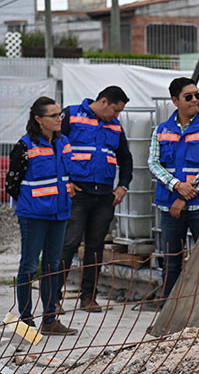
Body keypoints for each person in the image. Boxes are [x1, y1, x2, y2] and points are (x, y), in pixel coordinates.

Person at [4, 97, 77, 335]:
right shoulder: (24, 146)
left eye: (60, 115)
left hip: (60, 213)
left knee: (53, 266)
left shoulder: (64, 142)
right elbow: (12, 184)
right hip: (33, 215)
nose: (59, 119)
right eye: (54, 116)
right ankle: (25, 320)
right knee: (28, 265)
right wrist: (33, 200)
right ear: (38, 119)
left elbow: (67, 173)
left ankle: (50, 319)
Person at [59, 86, 132, 313]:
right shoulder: (70, 115)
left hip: (104, 197)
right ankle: (52, 298)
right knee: (69, 243)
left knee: (95, 247)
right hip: (78, 194)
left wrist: (123, 186)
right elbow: (53, 148)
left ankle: (88, 298)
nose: (117, 115)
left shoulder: (115, 126)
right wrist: (65, 182)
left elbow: (126, 159)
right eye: (115, 110)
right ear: (103, 102)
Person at [148, 77, 199, 304]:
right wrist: (177, 186)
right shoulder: (161, 130)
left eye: (197, 95)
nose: (195, 100)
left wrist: (186, 195)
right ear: (175, 100)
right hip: (169, 206)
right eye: (188, 97)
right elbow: (153, 164)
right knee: (171, 260)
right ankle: (168, 309)